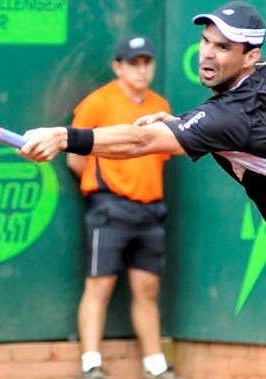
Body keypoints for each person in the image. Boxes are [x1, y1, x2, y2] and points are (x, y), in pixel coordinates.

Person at [18, 2, 266, 378]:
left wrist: (63, 135)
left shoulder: (238, 113)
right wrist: (181, 123)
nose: (207, 54)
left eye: (223, 48)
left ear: (250, 57)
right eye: (205, 41)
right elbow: (219, 123)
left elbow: (140, 142)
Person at [67, 34, 181, 379]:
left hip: (150, 212)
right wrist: (105, 188)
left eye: (147, 62)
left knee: (147, 289)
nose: (141, 69)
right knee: (98, 285)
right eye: (134, 63)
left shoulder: (160, 105)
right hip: (109, 209)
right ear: (118, 67)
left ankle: (155, 366)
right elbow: (75, 159)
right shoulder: (98, 103)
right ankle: (91, 364)